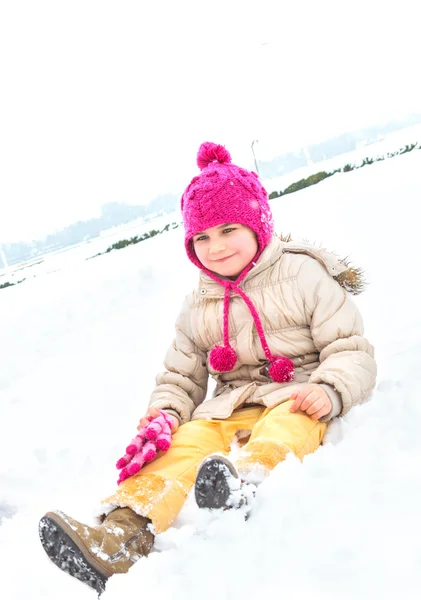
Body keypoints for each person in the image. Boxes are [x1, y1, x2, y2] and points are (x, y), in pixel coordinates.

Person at [39, 142, 377, 594]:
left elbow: (350, 348)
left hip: (297, 389)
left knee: (289, 425)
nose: (214, 248)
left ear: (258, 224)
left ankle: (247, 483)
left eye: (228, 229)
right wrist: (166, 414)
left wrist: (331, 388)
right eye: (202, 238)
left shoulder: (303, 276)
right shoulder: (198, 303)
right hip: (229, 403)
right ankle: (118, 538)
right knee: (183, 444)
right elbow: (181, 376)